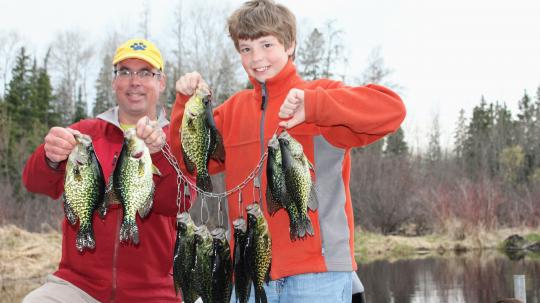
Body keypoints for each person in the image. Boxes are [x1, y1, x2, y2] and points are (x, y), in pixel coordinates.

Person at [170, 0, 406, 301]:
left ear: (290, 44)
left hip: (318, 275)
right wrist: (183, 104)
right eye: (246, 49)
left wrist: (315, 106)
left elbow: (392, 110)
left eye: (267, 44)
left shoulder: (321, 96)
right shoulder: (231, 112)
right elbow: (187, 162)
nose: (257, 58)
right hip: (249, 275)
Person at [22, 38, 192, 302]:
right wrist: (50, 157)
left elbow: (180, 201)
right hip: (77, 285)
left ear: (161, 82)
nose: (134, 81)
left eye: (145, 73)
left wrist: (159, 156)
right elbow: (35, 183)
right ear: (114, 82)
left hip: (155, 292)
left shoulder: (176, 140)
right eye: (125, 72)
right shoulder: (85, 134)